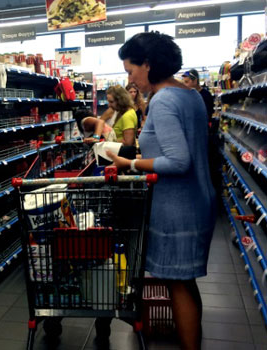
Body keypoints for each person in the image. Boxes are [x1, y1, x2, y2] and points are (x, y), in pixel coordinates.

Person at [107, 32, 216, 350]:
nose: (131, 78)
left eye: (131, 70)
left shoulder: (164, 99)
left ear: (148, 64)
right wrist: (145, 157)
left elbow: (178, 160)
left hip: (178, 207)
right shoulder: (189, 94)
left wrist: (130, 164)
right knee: (184, 283)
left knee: (179, 286)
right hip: (196, 199)